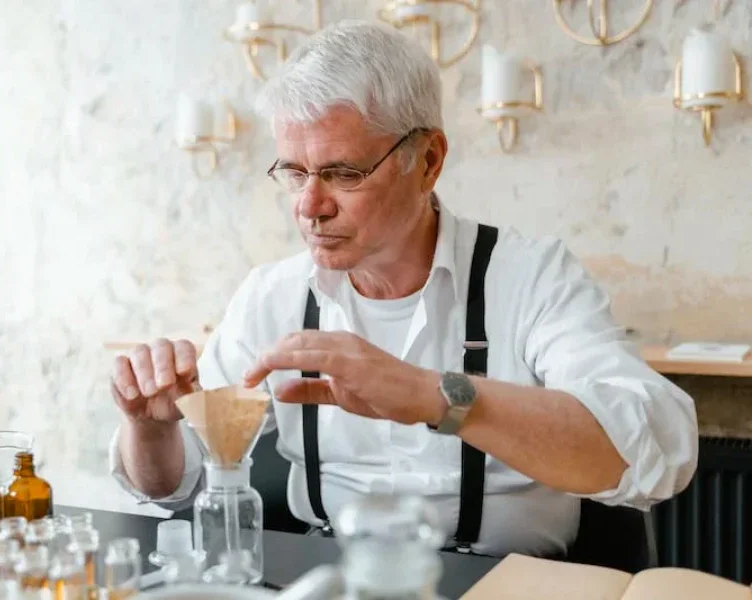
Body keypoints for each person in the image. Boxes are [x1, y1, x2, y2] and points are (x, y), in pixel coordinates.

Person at [108, 20, 697, 557]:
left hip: (507, 584)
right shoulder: (273, 296)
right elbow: (171, 482)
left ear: (430, 160)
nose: (310, 207)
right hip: (330, 574)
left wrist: (435, 396)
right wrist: (151, 428)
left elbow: (659, 448)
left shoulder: (532, 276)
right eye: (293, 172)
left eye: (344, 173)